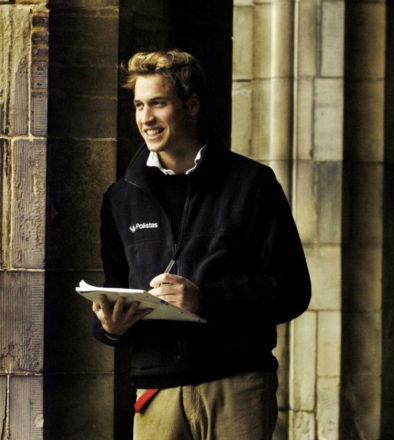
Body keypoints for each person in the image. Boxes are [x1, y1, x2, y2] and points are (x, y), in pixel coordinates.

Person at [91, 49, 311, 440]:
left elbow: (293, 290)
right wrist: (110, 328)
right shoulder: (120, 197)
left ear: (191, 105)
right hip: (155, 388)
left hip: (236, 385)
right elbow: (115, 287)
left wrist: (205, 300)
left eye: (158, 103)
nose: (145, 117)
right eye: (139, 105)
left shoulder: (252, 184)